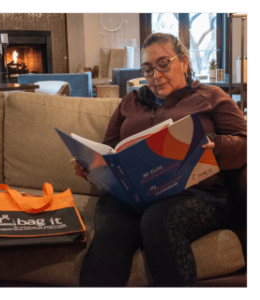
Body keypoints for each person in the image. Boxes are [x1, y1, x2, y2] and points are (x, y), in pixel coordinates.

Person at [71, 32, 247, 288]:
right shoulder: (131, 101)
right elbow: (109, 149)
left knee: (158, 220)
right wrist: (91, 165)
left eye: (163, 64)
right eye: (148, 68)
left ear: (184, 62)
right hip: (132, 195)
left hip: (196, 193)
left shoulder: (212, 96)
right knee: (110, 234)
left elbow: (246, 144)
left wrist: (214, 145)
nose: (155, 74)